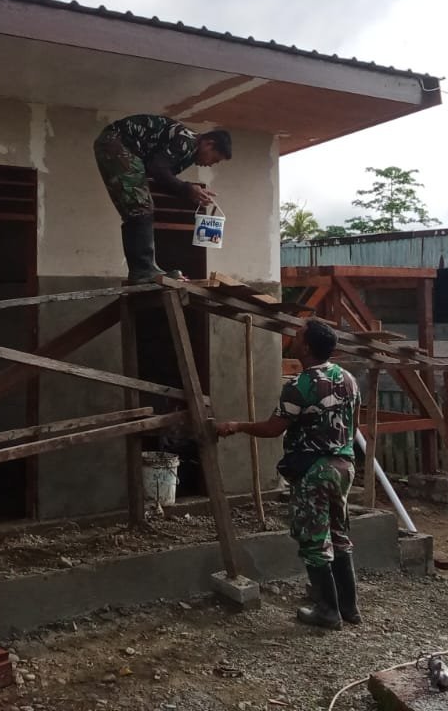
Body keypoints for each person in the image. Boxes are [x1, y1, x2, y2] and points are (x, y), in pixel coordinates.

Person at [215, 319, 361, 630]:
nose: (292, 339)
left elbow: (273, 428)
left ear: (306, 347)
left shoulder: (300, 386)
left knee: (314, 540)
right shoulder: (348, 378)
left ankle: (327, 611)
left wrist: (236, 426)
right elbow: (353, 423)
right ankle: (349, 608)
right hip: (344, 467)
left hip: (315, 471)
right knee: (339, 536)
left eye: (297, 336)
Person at [93, 114, 232, 283]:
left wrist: (188, 193)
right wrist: (186, 188)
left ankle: (144, 269)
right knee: (140, 207)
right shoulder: (186, 141)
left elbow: (160, 176)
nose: (210, 164)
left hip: (120, 146)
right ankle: (143, 271)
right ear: (208, 144)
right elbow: (157, 169)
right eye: (214, 158)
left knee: (139, 207)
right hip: (117, 143)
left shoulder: (188, 152)